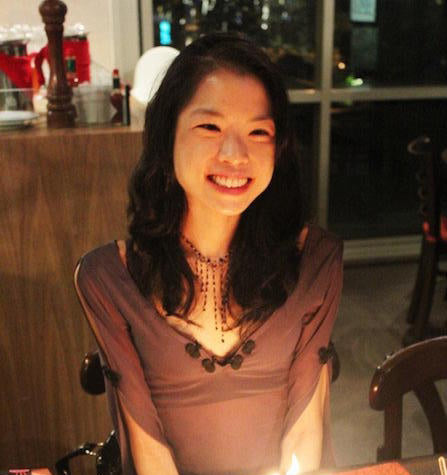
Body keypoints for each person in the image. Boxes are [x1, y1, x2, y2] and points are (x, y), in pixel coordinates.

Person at [74, 33, 343, 475]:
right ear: (167, 137)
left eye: (258, 132)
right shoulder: (109, 279)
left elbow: (305, 432)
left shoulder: (315, 261)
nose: (235, 154)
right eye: (210, 127)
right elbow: (148, 456)